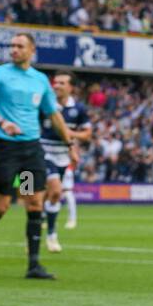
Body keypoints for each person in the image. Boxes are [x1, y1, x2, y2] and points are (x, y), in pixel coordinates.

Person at [0, 32, 72, 279]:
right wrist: (3, 121)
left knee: (33, 201)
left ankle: (33, 265)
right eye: (11, 45)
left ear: (32, 50)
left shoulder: (40, 80)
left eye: (19, 46)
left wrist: (70, 142)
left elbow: (53, 114)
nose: (13, 49)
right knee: (1, 206)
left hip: (30, 150)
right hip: (7, 148)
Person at [41, 71, 92, 252]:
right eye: (55, 83)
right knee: (31, 193)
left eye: (62, 83)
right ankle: (48, 234)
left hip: (62, 157)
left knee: (52, 196)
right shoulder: (45, 104)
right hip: (41, 153)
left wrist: (70, 136)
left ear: (71, 87)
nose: (57, 86)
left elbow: (87, 134)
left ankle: (43, 228)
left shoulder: (78, 109)